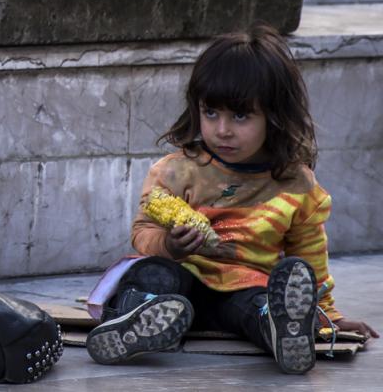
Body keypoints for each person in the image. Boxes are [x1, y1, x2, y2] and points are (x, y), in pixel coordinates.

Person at [86, 24, 378, 374]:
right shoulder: (179, 171)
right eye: (211, 113)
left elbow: (309, 255)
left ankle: (281, 330)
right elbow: (142, 231)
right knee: (151, 274)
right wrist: (170, 244)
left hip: (243, 288)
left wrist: (328, 315)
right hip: (183, 280)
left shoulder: (296, 184)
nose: (222, 130)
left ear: (274, 116)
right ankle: (135, 321)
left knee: (263, 302)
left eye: (240, 116)